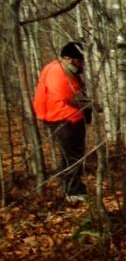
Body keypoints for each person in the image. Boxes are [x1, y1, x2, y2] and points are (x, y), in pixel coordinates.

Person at [33, 42, 90, 202]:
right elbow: (71, 97)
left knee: (73, 154)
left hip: (67, 116)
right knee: (72, 155)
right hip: (63, 118)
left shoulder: (65, 69)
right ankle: (73, 191)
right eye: (80, 60)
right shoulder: (57, 71)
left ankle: (74, 187)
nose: (82, 63)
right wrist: (93, 105)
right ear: (69, 58)